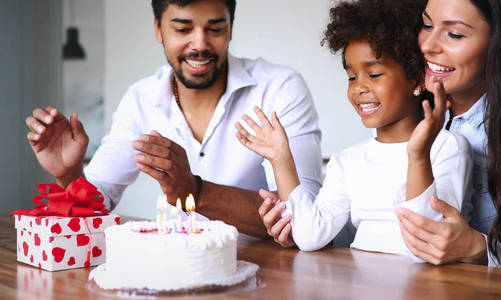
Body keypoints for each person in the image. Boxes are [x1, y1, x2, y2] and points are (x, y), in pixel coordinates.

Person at [24, 0, 323, 238]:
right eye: (182, 29)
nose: (200, 44)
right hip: (176, 275)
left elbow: (302, 213)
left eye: (215, 29)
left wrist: (196, 190)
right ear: (158, 29)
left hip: (274, 277)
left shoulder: (279, 89)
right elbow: (96, 207)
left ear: (231, 28)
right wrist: (69, 174)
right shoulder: (140, 99)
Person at [236, 0, 472, 258]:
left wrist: (418, 155)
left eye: (374, 75)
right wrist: (281, 160)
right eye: (351, 76)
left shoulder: (448, 147)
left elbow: (427, 242)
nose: (358, 88)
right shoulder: (347, 161)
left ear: (416, 78)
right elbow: (310, 236)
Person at [395, 0, 501, 273]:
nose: (428, 44)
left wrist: (477, 249)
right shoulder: (413, 109)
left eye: (454, 34)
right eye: (427, 25)